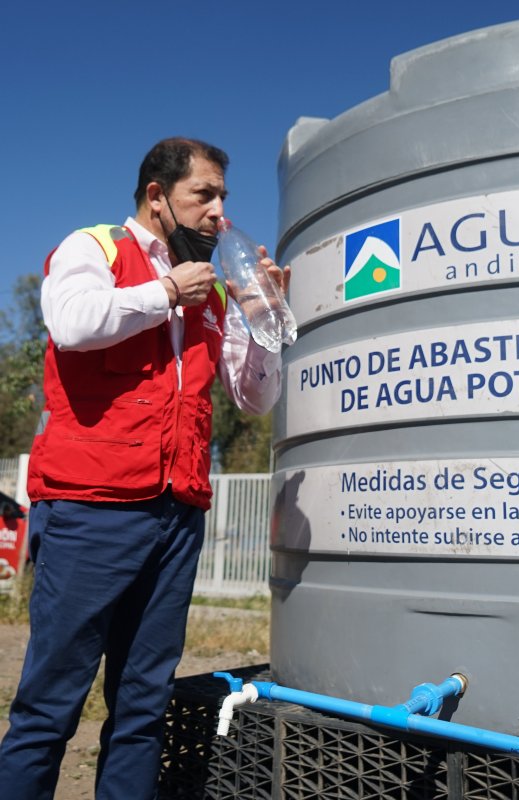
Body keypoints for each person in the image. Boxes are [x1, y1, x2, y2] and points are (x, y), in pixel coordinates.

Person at [0, 137, 290, 799]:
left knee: (143, 705)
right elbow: (72, 323)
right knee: (51, 704)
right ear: (157, 196)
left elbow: (255, 398)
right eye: (204, 195)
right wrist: (163, 292)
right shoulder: (96, 248)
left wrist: (261, 323)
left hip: (177, 517)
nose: (219, 212)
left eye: (223, 197)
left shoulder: (213, 295)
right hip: (91, 510)